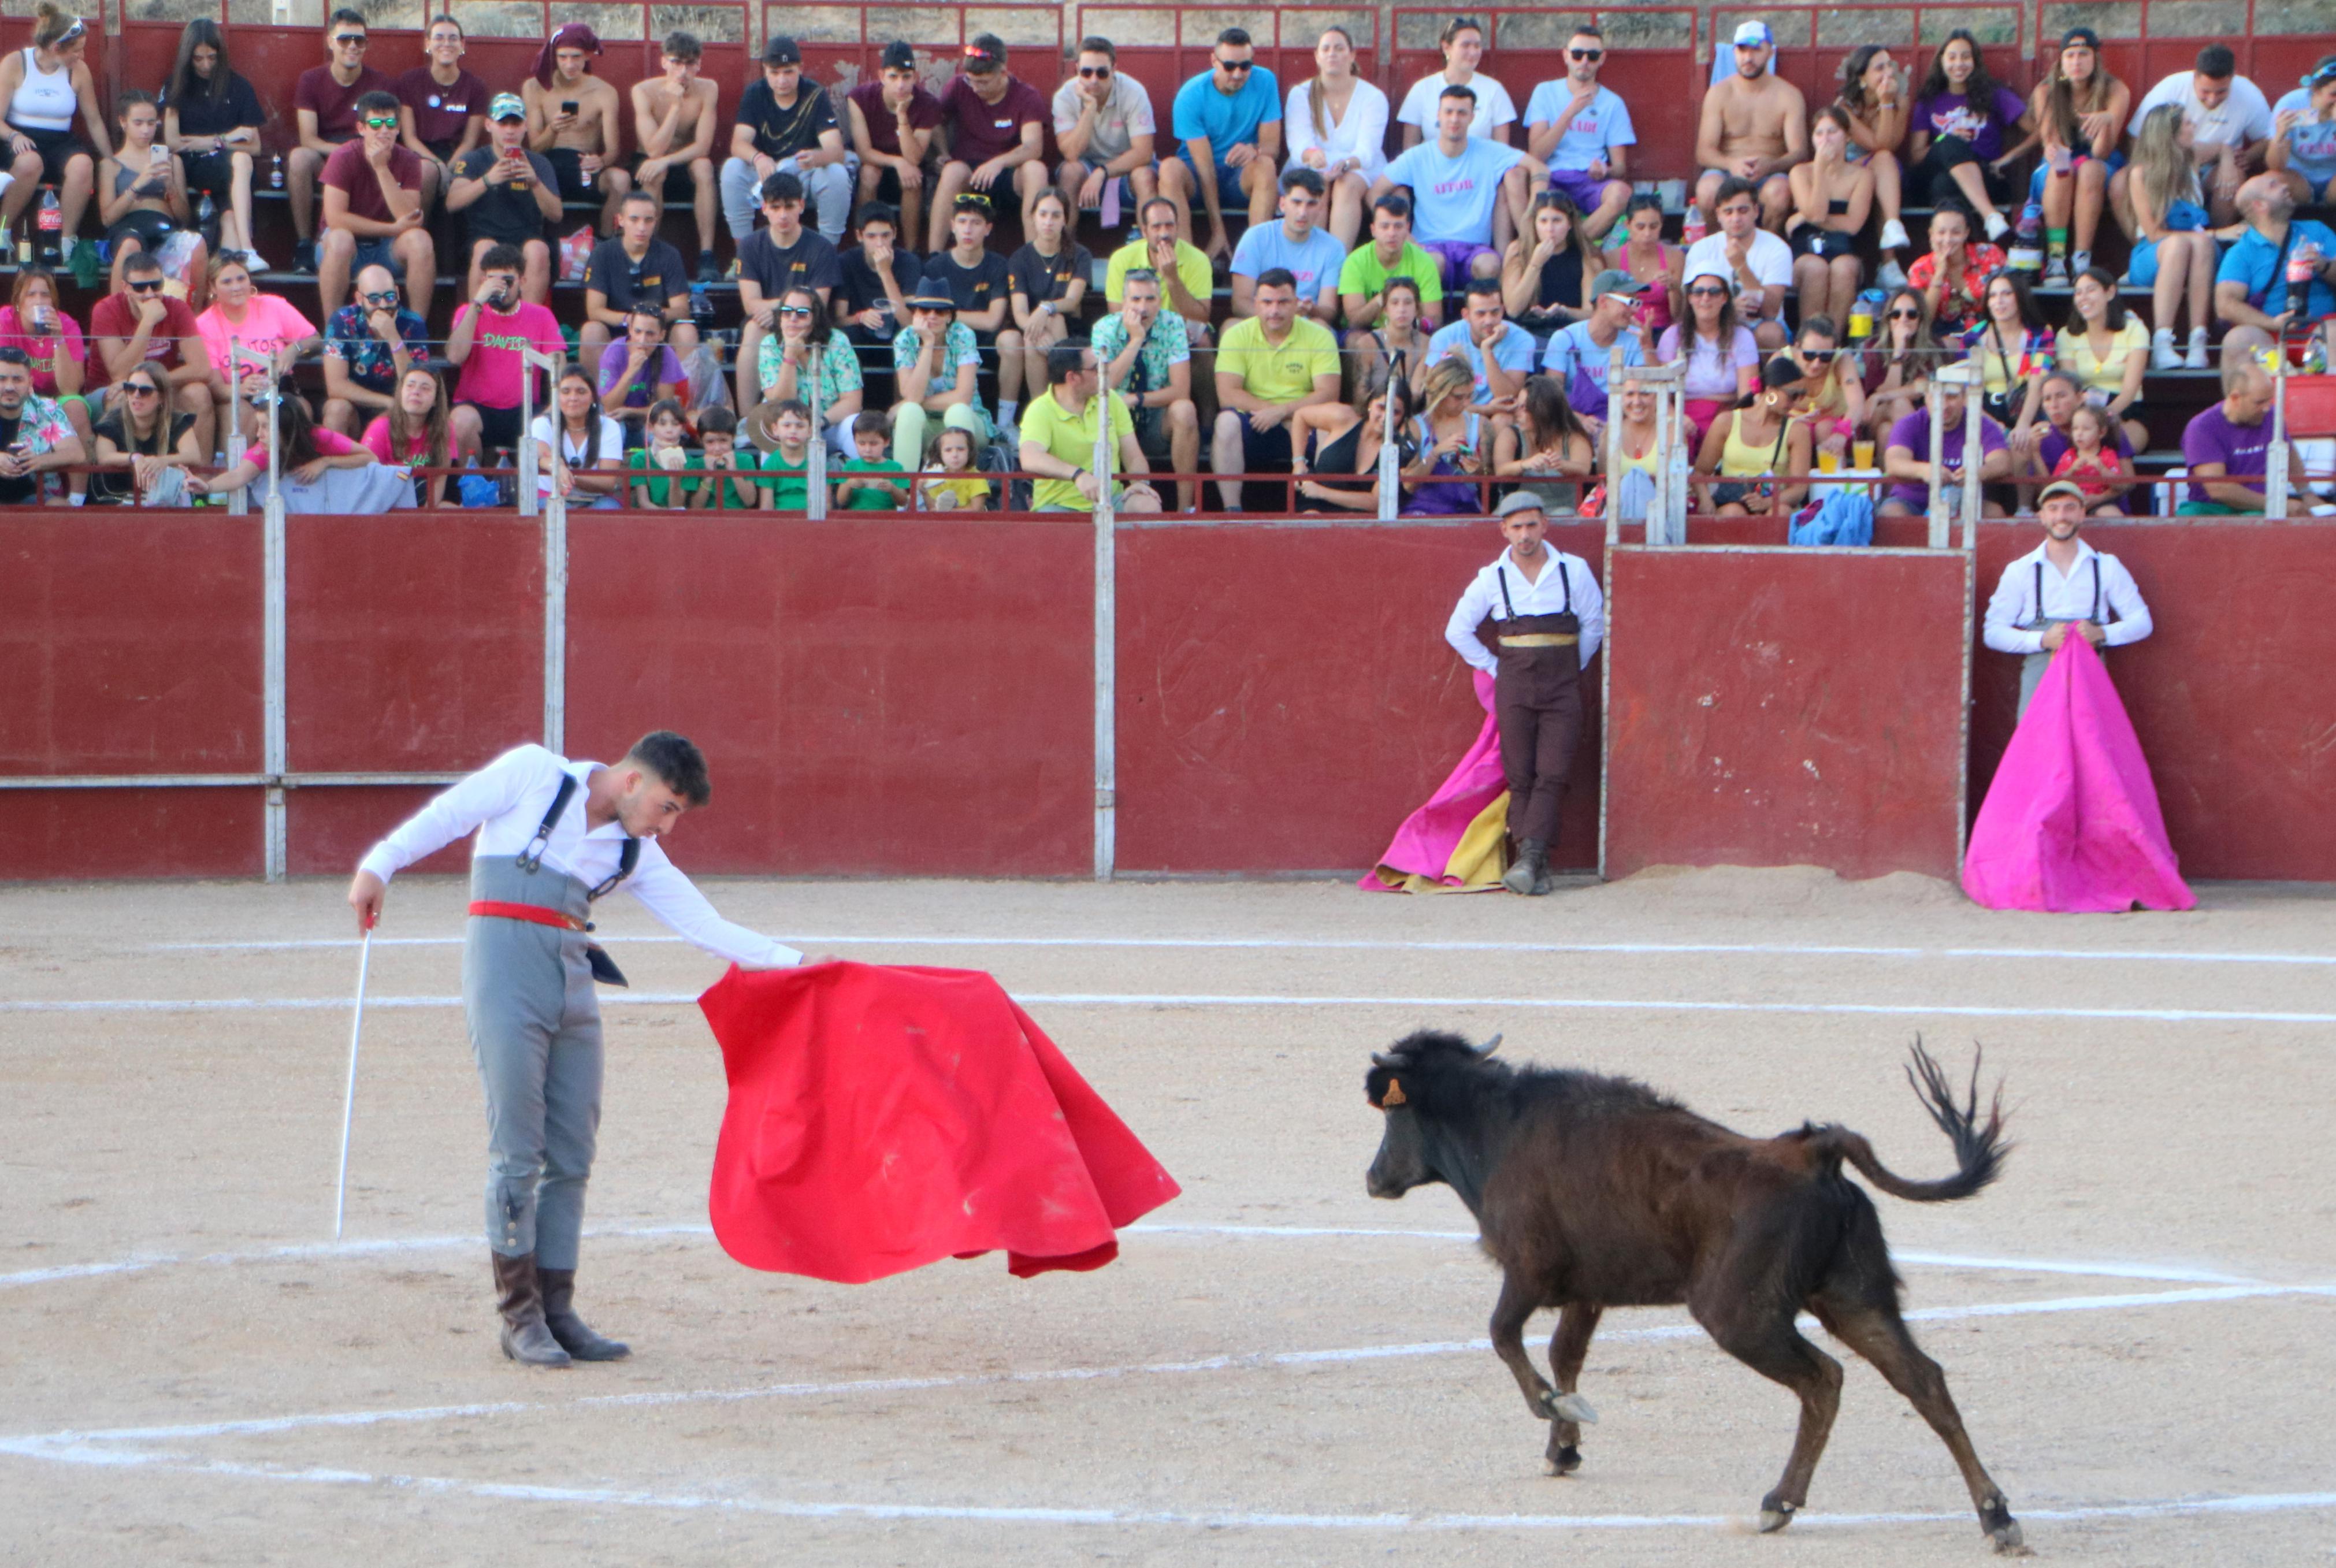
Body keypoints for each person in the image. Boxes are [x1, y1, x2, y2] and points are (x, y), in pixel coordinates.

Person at [347, 734, 804, 1365]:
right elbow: (449, 814)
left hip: (572, 980)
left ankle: (557, 1311)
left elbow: (704, 925)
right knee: (517, 1147)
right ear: (632, 781)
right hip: (504, 970)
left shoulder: (631, 849)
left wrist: (800, 965)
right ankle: (519, 1317)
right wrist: (379, 864)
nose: (666, 826)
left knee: (571, 1152)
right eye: (667, 807)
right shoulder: (534, 773)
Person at [1443, 491, 1605, 895]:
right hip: (1514, 683)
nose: (1525, 534)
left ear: (1545, 525)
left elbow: (1594, 626)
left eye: (1532, 525)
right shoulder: (1491, 577)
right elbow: (1456, 631)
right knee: (1521, 776)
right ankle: (1534, 863)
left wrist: (1570, 667)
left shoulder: (1574, 570)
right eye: (1516, 527)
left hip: (1561, 683)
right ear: (1504, 531)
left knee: (1552, 772)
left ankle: (1528, 861)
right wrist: (1496, 668)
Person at [1982, 482, 2153, 716]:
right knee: (2040, 748)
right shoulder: (2020, 570)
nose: (2061, 516)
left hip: (2089, 675)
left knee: (2090, 743)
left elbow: (2142, 622)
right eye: (2053, 508)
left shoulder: (2107, 567)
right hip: (2040, 673)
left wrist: (2103, 634)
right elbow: (1993, 633)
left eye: (2070, 507)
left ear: (2083, 514)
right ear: (2041, 516)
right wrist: (2042, 640)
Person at [1375, 84, 1529, 289]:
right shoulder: (1418, 156)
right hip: (1431, 245)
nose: (1455, 119)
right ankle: (1429, 320)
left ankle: (1484, 317)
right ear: (1438, 115)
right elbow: (1374, 193)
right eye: (1449, 112)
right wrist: (1404, 234)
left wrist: (1536, 200)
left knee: (1490, 266)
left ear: (1472, 117)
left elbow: (1538, 168)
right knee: (1432, 264)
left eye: (1462, 113)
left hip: (1475, 248)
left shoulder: (1489, 152)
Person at [1211, 267, 1340, 511]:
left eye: (1283, 302)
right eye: (1267, 302)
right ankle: (1232, 511)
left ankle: (1322, 506)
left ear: (1296, 304)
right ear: (1256, 304)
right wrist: (1275, 412)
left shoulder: (1319, 336)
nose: (1274, 310)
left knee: (1328, 425)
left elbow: (1328, 393)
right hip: (1254, 420)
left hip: (1303, 422)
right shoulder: (1236, 335)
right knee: (1225, 422)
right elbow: (1227, 394)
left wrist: (1285, 413)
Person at [2116, 44, 2273, 231]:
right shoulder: (2171, 88)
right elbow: (2135, 136)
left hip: (2217, 165)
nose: (2213, 99)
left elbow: (2267, 139)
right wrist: (2159, 167)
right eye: (2206, 92)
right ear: (2195, 77)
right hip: (2165, 162)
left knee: (2233, 179)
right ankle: (2145, 246)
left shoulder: (2249, 95)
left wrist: (2248, 157)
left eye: (2221, 92)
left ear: (2232, 79)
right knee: (2119, 183)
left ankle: (2219, 241)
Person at [1, 3, 109, 265]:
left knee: (83, 166)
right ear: (55, 48)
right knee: (30, 163)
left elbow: (93, 121)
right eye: (76, 50)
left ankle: (66, 241)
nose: (81, 56)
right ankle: (3, 230)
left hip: (60, 139)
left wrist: (110, 159)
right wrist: (14, 136)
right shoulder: (16, 63)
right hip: (18, 136)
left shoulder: (78, 71)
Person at [288, 9, 392, 272]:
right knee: (299, 158)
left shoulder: (379, 82)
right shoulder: (311, 80)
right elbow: (308, 138)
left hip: (370, 154)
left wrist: (361, 152)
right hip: (327, 155)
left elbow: (388, 130)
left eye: (360, 40)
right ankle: (303, 244)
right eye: (345, 39)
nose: (353, 46)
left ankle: (393, 244)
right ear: (330, 41)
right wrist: (343, 153)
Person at [2023, 27, 2128, 283]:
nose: (2076, 62)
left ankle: (2082, 259)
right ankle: (2057, 259)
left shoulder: (2115, 89)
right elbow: (2054, 145)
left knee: (2091, 169)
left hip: (2100, 163)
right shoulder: (2047, 91)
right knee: (2062, 169)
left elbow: (2101, 152)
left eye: (2083, 54)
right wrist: (2058, 154)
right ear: (2061, 60)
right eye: (2070, 56)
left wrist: (2106, 121)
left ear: (2095, 59)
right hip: (2059, 163)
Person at [1167, 28, 1282, 261]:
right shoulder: (1191, 95)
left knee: (1266, 165)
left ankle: (1255, 259)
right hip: (1198, 176)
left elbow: (1272, 146)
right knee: (1169, 169)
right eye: (1230, 66)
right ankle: (1186, 263)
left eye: (1245, 66)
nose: (1238, 74)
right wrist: (1218, 230)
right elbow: (1205, 168)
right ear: (1214, 61)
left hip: (1239, 176)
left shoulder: (1266, 81)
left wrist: (1255, 150)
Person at [723, 35, 849, 248]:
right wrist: (759, 158)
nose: (782, 81)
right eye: (775, 73)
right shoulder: (755, 93)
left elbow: (836, 151)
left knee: (836, 174)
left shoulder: (814, 94)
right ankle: (742, 253)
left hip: (803, 173)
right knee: (732, 168)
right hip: (767, 172)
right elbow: (739, 143)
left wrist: (816, 158)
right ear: (765, 70)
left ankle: (829, 253)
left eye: (788, 72)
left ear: (800, 68)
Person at [89, 248, 214, 459]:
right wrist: (147, 322)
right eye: (140, 288)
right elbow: (120, 375)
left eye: (156, 286)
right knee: (123, 398)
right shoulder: (106, 310)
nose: (149, 294)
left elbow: (202, 368)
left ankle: (200, 480)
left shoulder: (177, 309)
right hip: (108, 390)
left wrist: (153, 385)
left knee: (199, 394)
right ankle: (127, 483)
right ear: (125, 288)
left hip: (157, 389)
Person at [928, 34, 1049, 252]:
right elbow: (934, 121)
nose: (975, 88)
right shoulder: (958, 87)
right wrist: (942, 152)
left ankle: (1034, 257)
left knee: (1036, 170)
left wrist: (998, 163)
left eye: (983, 82)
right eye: (971, 81)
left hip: (1008, 173)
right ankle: (934, 256)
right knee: (952, 171)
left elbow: (1034, 147)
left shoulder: (1026, 96)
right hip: (969, 171)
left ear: (1003, 72)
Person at [319, 90, 434, 318]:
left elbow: (408, 216)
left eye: (391, 124)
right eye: (376, 124)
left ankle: (417, 332)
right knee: (341, 239)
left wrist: (382, 169)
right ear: (361, 128)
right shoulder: (343, 157)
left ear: (399, 128)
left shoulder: (410, 160)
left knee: (421, 241)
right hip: (344, 250)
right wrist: (392, 229)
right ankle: (332, 332)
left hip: (388, 247)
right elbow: (336, 219)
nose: (384, 131)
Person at [1091, 267, 1199, 509]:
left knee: (1185, 410)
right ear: (1124, 302)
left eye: (1150, 299)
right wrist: (1136, 340)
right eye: (1136, 299)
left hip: (1155, 417)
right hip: (1113, 421)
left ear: (1160, 301)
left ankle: (1186, 509)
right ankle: (1103, 504)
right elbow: (1104, 385)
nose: (1143, 307)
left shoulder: (1173, 325)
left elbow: (1181, 390)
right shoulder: (1105, 328)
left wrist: (1137, 399)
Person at [734, 172, 842, 411]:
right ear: (764, 209)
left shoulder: (821, 248)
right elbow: (751, 304)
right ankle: (746, 420)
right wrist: (784, 309)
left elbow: (818, 304)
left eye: (790, 206)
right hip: (767, 323)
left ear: (801, 206)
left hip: (809, 323)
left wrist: (777, 308)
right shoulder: (750, 246)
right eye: (775, 207)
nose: (783, 215)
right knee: (752, 329)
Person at [162, 19, 266, 267]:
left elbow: (255, 146)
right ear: (188, 56)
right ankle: (248, 248)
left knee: (229, 216)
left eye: (212, 57)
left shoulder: (238, 86)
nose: (206, 65)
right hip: (195, 168)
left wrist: (207, 142)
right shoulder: (175, 85)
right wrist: (226, 138)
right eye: (198, 59)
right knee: (239, 162)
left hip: (231, 172)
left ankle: (233, 268)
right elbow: (173, 142)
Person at [1906, 29, 2027, 242]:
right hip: (1936, 168)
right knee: (1948, 142)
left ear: (1975, 61)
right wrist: (1948, 137)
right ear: (1941, 62)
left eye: (1965, 57)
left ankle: (1957, 257)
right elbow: (1916, 156)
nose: (1959, 64)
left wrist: (2010, 157)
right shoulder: (1929, 100)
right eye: (1952, 57)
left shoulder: (1994, 94)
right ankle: (1991, 216)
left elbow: (2039, 130)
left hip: (1984, 175)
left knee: (1943, 185)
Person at [2125, 103, 2220, 370]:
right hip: (2154, 253)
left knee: (2200, 243)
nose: (2194, 127)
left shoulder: (2193, 157)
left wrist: (2226, 162)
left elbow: (2224, 146)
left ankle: (2197, 341)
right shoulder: (2141, 173)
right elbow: (2155, 234)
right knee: (2180, 243)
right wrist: (2217, 233)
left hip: (2198, 250)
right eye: (2188, 124)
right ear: (2171, 134)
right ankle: (2163, 341)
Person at [445, 243, 564, 459]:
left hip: (525, 409)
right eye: (493, 281)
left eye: (508, 282)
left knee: (550, 423)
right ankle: (474, 487)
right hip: (477, 408)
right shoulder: (468, 312)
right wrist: (477, 304)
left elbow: (559, 365)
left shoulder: (541, 315)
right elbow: (455, 356)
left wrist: (552, 408)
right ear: (484, 282)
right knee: (460, 422)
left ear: (522, 282)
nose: (501, 289)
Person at [1019, 341, 1161, 514]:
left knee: (1148, 505)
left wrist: (1139, 483)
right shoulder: (1040, 410)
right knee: (1052, 523)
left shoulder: (1112, 400)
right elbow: (1030, 457)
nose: (1104, 372)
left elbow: (1133, 456)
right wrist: (1078, 475)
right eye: (1096, 368)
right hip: (1058, 505)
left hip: (1110, 501)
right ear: (1072, 378)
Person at [448, 93, 562, 306]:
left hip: (527, 237)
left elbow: (556, 214)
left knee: (538, 250)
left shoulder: (539, 163)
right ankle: (476, 323)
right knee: (485, 248)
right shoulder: (473, 160)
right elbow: (452, 202)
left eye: (516, 123)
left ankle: (529, 327)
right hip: (483, 236)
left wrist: (535, 182)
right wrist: (488, 180)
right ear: (489, 125)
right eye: (503, 123)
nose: (510, 130)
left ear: (525, 126)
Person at [1523, 25, 1633, 241]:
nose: (1584, 61)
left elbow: (1620, 168)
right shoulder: (1545, 92)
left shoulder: (1613, 103)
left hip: (1590, 181)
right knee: (1536, 189)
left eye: (1592, 56)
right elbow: (1537, 154)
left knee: (1621, 193)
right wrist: (1571, 112)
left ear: (1602, 59)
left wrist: (1606, 170)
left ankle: (1572, 245)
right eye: (1577, 54)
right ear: (1566, 56)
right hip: (1552, 176)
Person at [925, 192, 1024, 432]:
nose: (968, 230)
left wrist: (948, 315)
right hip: (948, 344)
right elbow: (928, 317)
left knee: (1012, 340)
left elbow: (993, 320)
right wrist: (948, 320)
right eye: (962, 222)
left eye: (976, 223)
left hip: (985, 343)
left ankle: (1005, 423)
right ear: (952, 226)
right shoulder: (935, 267)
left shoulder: (999, 265)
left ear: (988, 229)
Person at [1694, 21, 1805, 232]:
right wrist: (1731, 164)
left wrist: (1770, 165)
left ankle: (1765, 256)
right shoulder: (1719, 93)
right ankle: (1720, 252)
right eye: (1742, 50)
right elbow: (1704, 153)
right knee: (1707, 191)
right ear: (1734, 52)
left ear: (1770, 53)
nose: (1748, 58)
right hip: (1726, 171)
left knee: (1780, 193)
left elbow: (1799, 152)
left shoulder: (1789, 95)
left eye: (1756, 50)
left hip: (1771, 173)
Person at [2215, 172, 2336, 365]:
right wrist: (2272, 324)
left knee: (2334, 333)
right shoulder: (2240, 252)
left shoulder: (2317, 230)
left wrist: (2324, 264)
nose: (2285, 187)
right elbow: (2225, 305)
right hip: (2269, 335)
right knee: (2237, 340)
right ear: (2260, 205)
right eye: (2274, 186)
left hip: (2320, 325)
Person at [629, 30, 721, 282]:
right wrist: (675, 107)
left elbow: (703, 146)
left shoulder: (708, 89)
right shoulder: (644, 91)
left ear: (699, 65)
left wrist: (667, 160)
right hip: (651, 161)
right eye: (676, 62)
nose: (683, 71)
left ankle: (706, 255)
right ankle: (647, 252)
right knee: (654, 170)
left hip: (684, 160)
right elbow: (653, 149)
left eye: (690, 64)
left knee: (704, 167)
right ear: (664, 63)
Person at [190, 383, 379, 505]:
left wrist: (325, 462)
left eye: (265, 427)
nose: (258, 435)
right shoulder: (265, 450)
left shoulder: (320, 436)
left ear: (285, 427)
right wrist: (207, 487)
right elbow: (237, 476)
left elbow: (370, 457)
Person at [524, 23, 630, 236]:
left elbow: (613, 150)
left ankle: (607, 247)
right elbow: (534, 147)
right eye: (563, 57)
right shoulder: (536, 87)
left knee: (621, 180)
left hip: (585, 165)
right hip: (547, 164)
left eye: (576, 57)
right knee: (519, 176)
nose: (569, 64)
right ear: (554, 56)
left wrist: (600, 161)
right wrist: (553, 130)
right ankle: (530, 243)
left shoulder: (604, 92)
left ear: (587, 56)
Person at [1284, 27, 1387, 248]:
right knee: (1316, 183)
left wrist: (1347, 164)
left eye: (1340, 49)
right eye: (1326, 49)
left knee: (1346, 184)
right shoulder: (1301, 94)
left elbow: (1368, 151)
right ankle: (1312, 259)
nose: (1332, 54)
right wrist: (1312, 157)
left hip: (1359, 166)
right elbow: (1298, 144)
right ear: (1317, 57)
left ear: (1352, 56)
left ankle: (1338, 263)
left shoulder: (1373, 97)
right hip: (1314, 165)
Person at [1053, 36, 1160, 235]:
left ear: (1114, 69)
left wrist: (1102, 172)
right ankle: (1064, 251)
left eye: (1102, 73)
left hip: (1129, 166)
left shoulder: (1134, 92)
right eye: (1086, 72)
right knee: (1070, 172)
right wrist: (1090, 108)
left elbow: (1144, 153)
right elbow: (1071, 154)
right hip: (1087, 165)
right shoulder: (1065, 96)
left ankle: (1150, 251)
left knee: (1145, 176)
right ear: (1076, 69)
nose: (1094, 80)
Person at [192, 252, 318, 419]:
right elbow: (216, 388)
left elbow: (316, 340)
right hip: (236, 396)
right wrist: (242, 388)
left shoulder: (273, 305)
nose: (236, 287)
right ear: (213, 287)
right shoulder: (204, 325)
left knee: (299, 409)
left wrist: (294, 349)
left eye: (241, 279)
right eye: (227, 282)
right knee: (242, 414)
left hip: (279, 388)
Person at [98, 91, 196, 303]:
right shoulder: (111, 165)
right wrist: (139, 184)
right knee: (130, 245)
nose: (146, 130)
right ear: (123, 122)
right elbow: (107, 219)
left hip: (164, 226)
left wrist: (170, 185)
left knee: (198, 245)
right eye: (139, 123)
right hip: (128, 228)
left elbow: (185, 217)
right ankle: (116, 315)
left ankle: (193, 321)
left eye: (151, 123)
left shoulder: (172, 161)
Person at [579, 188, 693, 367]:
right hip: (617, 327)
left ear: (655, 222)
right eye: (634, 219)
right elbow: (595, 310)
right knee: (591, 330)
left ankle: (681, 395)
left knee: (687, 332)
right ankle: (596, 394)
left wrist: (649, 320)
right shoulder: (602, 253)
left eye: (648, 221)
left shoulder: (670, 255)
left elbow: (681, 310)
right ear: (621, 220)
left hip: (656, 331)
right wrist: (629, 320)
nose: (642, 227)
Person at [851, 41, 945, 254]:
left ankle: (911, 251)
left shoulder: (927, 104)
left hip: (907, 170)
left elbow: (914, 158)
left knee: (913, 178)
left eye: (906, 77)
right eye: (893, 77)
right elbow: (864, 152)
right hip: (876, 163)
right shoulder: (860, 98)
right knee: (869, 173)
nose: (900, 85)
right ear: (882, 76)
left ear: (915, 77)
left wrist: (902, 118)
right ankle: (864, 249)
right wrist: (897, 162)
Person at [1785, 105, 1873, 328]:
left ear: (1847, 137)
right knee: (1816, 268)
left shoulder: (1862, 176)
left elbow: (1852, 225)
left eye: (1833, 132)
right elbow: (1816, 212)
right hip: (1805, 251)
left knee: (1843, 268)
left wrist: (1802, 218)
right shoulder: (1800, 172)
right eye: (1819, 133)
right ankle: (1810, 340)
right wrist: (1820, 171)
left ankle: (1832, 341)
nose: (1826, 139)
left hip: (1845, 249)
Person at [2179, 357, 2301, 515]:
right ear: (2236, 398)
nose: (2266, 408)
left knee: (2258, 520)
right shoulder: (2202, 427)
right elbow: (2218, 488)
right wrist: (2274, 503)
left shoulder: (2272, 417)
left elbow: (2289, 455)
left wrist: (2307, 493)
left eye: (2269, 401)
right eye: (2259, 402)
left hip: (2257, 509)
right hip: (2211, 508)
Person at [1694, 355, 1811, 516]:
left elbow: (1799, 489)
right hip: (1732, 501)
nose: (1796, 403)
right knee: (1733, 513)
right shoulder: (1726, 422)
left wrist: (1768, 502)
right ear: (1771, 391)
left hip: (1775, 501)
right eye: (1793, 395)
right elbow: (1701, 472)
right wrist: (1705, 499)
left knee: (1780, 511)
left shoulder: (1797, 431)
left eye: (1801, 395)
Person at [321, 261, 428, 437]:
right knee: (336, 410)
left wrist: (393, 337)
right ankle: (339, 464)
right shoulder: (342, 320)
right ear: (359, 299)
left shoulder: (413, 323)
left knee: (406, 412)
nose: (384, 305)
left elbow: (415, 380)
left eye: (390, 296)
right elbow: (336, 386)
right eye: (374, 299)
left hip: (400, 404)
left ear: (398, 293)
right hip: (355, 402)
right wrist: (386, 402)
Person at [1683, 176, 1791, 349]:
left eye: (1743, 211)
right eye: (1729, 212)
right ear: (1718, 215)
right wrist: (1728, 310)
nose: (1736, 218)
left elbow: (1771, 311)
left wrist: (1742, 267)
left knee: (1770, 333)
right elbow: (1689, 303)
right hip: (1715, 323)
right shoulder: (1701, 249)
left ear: (1756, 211)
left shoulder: (1777, 248)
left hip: (1761, 325)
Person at [1836, 44, 1913, 284]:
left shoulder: (1901, 102)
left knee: (1883, 163)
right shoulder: (1845, 106)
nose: (1888, 73)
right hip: (1849, 173)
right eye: (1880, 68)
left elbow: (1890, 145)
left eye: (1889, 65)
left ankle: (1892, 230)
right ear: (1862, 77)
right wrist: (1886, 102)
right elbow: (1876, 143)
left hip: (1885, 171)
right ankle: (1889, 260)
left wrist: (1889, 104)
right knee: (1880, 164)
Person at [1880, 375, 2010, 517]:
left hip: (1966, 502)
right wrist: (1925, 471)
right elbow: (1894, 462)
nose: (1944, 405)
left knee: (1995, 513)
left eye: (1951, 397)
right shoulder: (1909, 423)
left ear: (1964, 398)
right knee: (1891, 512)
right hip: (1913, 500)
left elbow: (2002, 461)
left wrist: (1977, 473)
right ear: (1926, 398)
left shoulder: (1982, 424)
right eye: (1936, 397)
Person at [395, 13, 486, 214]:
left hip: (458, 154)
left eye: (453, 38)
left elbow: (470, 141)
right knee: (427, 173)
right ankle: (418, 233)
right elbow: (409, 138)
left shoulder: (475, 86)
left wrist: (450, 167)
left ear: (462, 44)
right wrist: (438, 166)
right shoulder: (409, 82)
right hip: (420, 153)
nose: (447, 43)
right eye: (439, 38)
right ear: (428, 43)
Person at [2055, 266, 2151, 454]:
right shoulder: (2066, 336)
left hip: (2126, 408)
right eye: (2078, 292)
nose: (2084, 298)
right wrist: (2088, 421)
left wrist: (2104, 418)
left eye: (2091, 290)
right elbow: (2073, 388)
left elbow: (2130, 390)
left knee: (2117, 446)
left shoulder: (2134, 330)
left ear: (2110, 292)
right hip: (2083, 410)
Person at [889, 288, 989, 467]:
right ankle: (904, 490)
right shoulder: (905, 339)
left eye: (940, 311)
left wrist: (910, 402)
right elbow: (912, 395)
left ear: (950, 316)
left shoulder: (963, 335)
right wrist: (928, 344)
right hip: (926, 424)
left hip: (968, 421)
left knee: (956, 410)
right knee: (909, 412)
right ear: (915, 314)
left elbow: (963, 397)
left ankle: (962, 487)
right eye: (925, 310)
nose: (932, 316)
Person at [1540, 269, 1647, 435]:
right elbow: (1551, 398)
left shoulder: (1635, 339)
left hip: (1623, 425)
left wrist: (1648, 344)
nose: (1634, 310)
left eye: (1636, 302)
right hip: (1570, 426)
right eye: (1628, 301)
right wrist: (1578, 419)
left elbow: (1644, 392)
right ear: (1603, 301)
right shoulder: (1565, 339)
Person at [0, 265, 90, 463]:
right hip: (15, 393)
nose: (39, 301)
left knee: (75, 406)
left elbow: (70, 389)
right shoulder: (4, 322)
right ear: (18, 302)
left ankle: (76, 494)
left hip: (56, 398)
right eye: (31, 294)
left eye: (45, 295)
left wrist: (58, 338)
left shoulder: (66, 325)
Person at [1231, 166, 1345, 321]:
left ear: (1320, 208)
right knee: (1230, 327)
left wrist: (1311, 309)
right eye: (1296, 203)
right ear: (1283, 204)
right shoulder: (1255, 238)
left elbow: (1329, 311)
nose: (1303, 212)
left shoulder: (1333, 248)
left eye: (1311, 204)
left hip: (1306, 326)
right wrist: (1278, 318)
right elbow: (1240, 303)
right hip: (1262, 321)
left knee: (1321, 326)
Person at [1964, 269, 2053, 467]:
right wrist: (1995, 427)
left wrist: (2023, 425)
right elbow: (1965, 392)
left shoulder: (2041, 335)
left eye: (2007, 294)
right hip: (1984, 413)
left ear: (2020, 297)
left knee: (2026, 443)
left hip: (2024, 411)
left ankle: (2023, 500)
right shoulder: (1972, 337)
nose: (1999, 301)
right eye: (1993, 296)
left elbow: (2037, 384)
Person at [758, 284, 863, 452]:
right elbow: (779, 403)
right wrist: (790, 355)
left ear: (815, 317)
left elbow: (853, 401)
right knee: (768, 422)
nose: (793, 319)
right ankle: (777, 478)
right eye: (786, 312)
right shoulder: (770, 344)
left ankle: (866, 476)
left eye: (801, 314)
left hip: (830, 424)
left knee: (853, 424)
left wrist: (820, 422)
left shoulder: (837, 341)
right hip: (790, 428)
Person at [832, 201, 918, 406]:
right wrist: (861, 317)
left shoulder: (909, 263)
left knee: (907, 338)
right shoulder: (846, 262)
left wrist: (885, 272)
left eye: (885, 236)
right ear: (860, 236)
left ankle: (901, 408)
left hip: (896, 332)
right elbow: (839, 319)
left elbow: (909, 322)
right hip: (861, 333)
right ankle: (851, 405)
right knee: (843, 338)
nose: (879, 243)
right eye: (871, 236)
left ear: (895, 234)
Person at [1427, 277, 1535, 436]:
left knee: (1502, 419)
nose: (1489, 321)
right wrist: (1484, 409)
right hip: (1456, 410)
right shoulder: (1444, 338)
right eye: (1481, 314)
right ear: (1466, 314)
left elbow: (1507, 397)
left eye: (1495, 312)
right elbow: (1434, 400)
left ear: (1503, 310)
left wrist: (1486, 349)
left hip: (1499, 412)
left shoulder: (1523, 340)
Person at [1659, 268, 1758, 442]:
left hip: (1727, 415)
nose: (1705, 298)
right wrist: (1676, 417)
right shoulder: (1672, 336)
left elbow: (1746, 397)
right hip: (1681, 415)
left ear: (1725, 297)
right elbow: (1662, 395)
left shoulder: (1742, 336)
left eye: (1714, 292)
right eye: (1698, 292)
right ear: (1689, 297)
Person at [1008, 188, 1093, 393]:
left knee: (1056, 319)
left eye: (1056, 215)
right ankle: (1042, 409)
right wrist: (1036, 330)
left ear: (1065, 220)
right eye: (1043, 214)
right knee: (1030, 339)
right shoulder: (1020, 258)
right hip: (1032, 327)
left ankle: (1062, 400)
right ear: (1033, 217)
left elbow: (1072, 300)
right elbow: (1020, 311)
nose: (1049, 222)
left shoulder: (1080, 255)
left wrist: (1046, 308)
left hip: (1069, 327)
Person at [1291, 369, 1410, 512]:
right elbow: (1301, 416)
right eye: (1382, 408)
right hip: (1316, 506)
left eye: (1395, 412)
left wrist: (1321, 492)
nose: (1386, 417)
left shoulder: (1397, 450)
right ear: (1370, 404)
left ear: (1403, 417)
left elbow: (1376, 502)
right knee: (1312, 521)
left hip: (1358, 516)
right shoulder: (1344, 418)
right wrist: (1298, 462)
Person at [1104, 195, 1216, 344]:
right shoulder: (1121, 258)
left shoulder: (1199, 259)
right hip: (1137, 324)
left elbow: (1200, 317)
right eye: (1156, 227)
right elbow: (1117, 312)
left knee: (1202, 338)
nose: (1164, 234)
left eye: (1170, 226)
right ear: (1144, 231)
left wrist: (1172, 278)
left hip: (1180, 328)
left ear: (1177, 227)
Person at [89, 363, 201, 505]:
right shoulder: (112, 420)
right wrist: (135, 457)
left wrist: (162, 461)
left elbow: (194, 456)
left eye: (145, 391)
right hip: (113, 497)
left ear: (161, 397)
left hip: (160, 500)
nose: (136, 396)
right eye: (130, 389)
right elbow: (104, 456)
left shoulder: (177, 421)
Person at [1397, 16, 1516, 148]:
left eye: (1477, 46)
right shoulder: (1422, 89)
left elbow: (1502, 149)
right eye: (1465, 45)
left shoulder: (1494, 90)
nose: (1473, 52)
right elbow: (1410, 146)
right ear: (1446, 48)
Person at [1408, 356, 1499, 513]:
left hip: (1466, 507)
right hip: (1423, 508)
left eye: (1470, 396)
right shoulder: (1415, 426)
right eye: (1458, 397)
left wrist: (1476, 469)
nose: (1466, 404)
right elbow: (1408, 485)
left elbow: (1491, 478)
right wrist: (1435, 454)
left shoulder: (1481, 425)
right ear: (1440, 393)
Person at [1340, 194, 1442, 330]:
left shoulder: (1424, 261)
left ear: (1407, 228)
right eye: (1385, 226)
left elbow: (1434, 319)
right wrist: (1386, 297)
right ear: (1373, 230)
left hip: (1411, 330)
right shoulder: (1355, 262)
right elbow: (1354, 321)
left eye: (1398, 226)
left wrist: (1404, 328)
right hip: (1369, 331)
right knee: (1354, 340)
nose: (1392, 233)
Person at [1906, 200, 2006, 341]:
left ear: (1966, 233)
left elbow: (2002, 302)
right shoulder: (1920, 268)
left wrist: (1957, 279)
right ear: (1931, 234)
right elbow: (1922, 319)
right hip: (1940, 332)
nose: (1948, 239)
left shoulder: (1990, 254)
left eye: (1956, 233)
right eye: (1941, 232)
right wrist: (1939, 274)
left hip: (1986, 325)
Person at [1501, 190, 1600, 329]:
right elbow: (1513, 309)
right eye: (1543, 221)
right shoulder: (1518, 251)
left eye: (1557, 221)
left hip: (1569, 331)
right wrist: (1535, 264)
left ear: (1570, 223)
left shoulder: (1587, 257)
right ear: (1535, 224)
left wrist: (1563, 312)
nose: (1550, 229)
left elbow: (1592, 313)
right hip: (1526, 331)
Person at [1496, 373, 1595, 512]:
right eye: (1518, 406)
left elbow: (1584, 469)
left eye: (1524, 408)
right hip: (1519, 511)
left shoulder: (1574, 438)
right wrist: (1526, 464)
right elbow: (1501, 470)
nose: (1517, 413)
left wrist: (1561, 465)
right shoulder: (1511, 435)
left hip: (1562, 510)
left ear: (1544, 409)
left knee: (1564, 514)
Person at [533, 364, 626, 508]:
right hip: (552, 496)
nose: (573, 398)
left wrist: (569, 475)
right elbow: (542, 457)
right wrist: (555, 466)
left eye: (581, 392)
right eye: (565, 392)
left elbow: (608, 482)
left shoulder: (610, 426)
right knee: (561, 510)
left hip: (597, 499)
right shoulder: (542, 424)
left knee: (608, 508)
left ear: (593, 398)